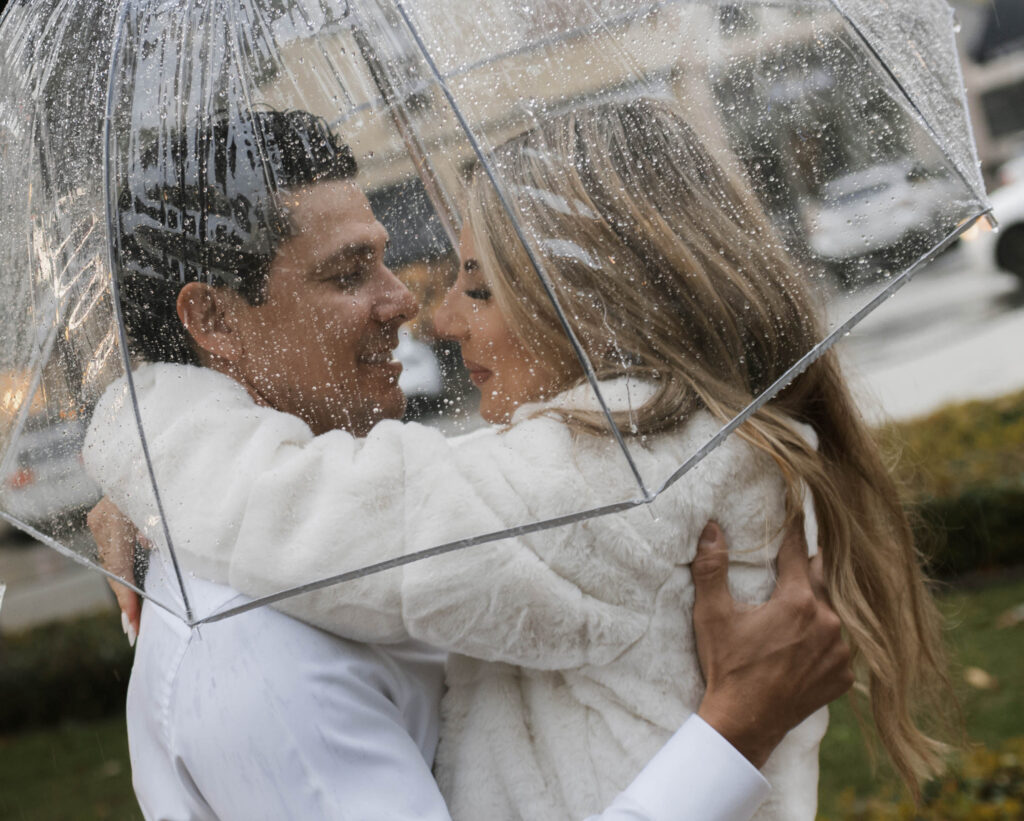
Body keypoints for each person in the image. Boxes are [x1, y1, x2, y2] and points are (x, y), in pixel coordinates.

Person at [87, 106, 855, 820]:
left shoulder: (615, 480)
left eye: (479, 289)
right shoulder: (249, 646)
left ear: (594, 307)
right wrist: (730, 738)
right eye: (349, 273)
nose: (422, 310)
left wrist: (144, 441)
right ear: (213, 318)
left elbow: (358, 512)